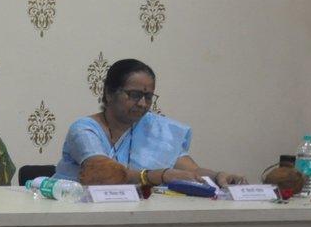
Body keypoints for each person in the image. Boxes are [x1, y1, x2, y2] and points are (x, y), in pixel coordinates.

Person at [54, 57, 246, 185]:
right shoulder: (84, 130)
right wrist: (159, 176)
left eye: (148, 97)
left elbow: (191, 171)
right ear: (109, 93)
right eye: (134, 95)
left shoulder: (158, 130)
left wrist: (218, 176)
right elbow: (102, 175)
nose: (142, 104)